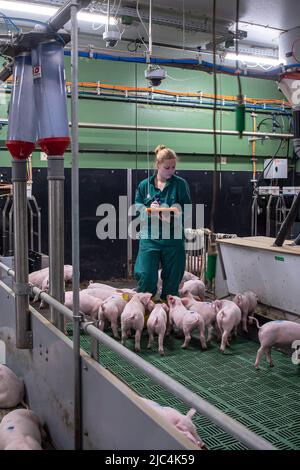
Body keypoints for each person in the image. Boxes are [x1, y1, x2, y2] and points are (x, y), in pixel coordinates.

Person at [134, 144, 192, 301]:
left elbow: (187, 209)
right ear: (158, 165)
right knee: (145, 275)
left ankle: (171, 315)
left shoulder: (180, 184)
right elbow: (137, 208)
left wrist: (172, 216)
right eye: (167, 167)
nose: (171, 171)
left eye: (173, 167)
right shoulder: (144, 185)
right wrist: (148, 209)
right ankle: (145, 309)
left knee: (173, 279)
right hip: (150, 237)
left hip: (172, 238)